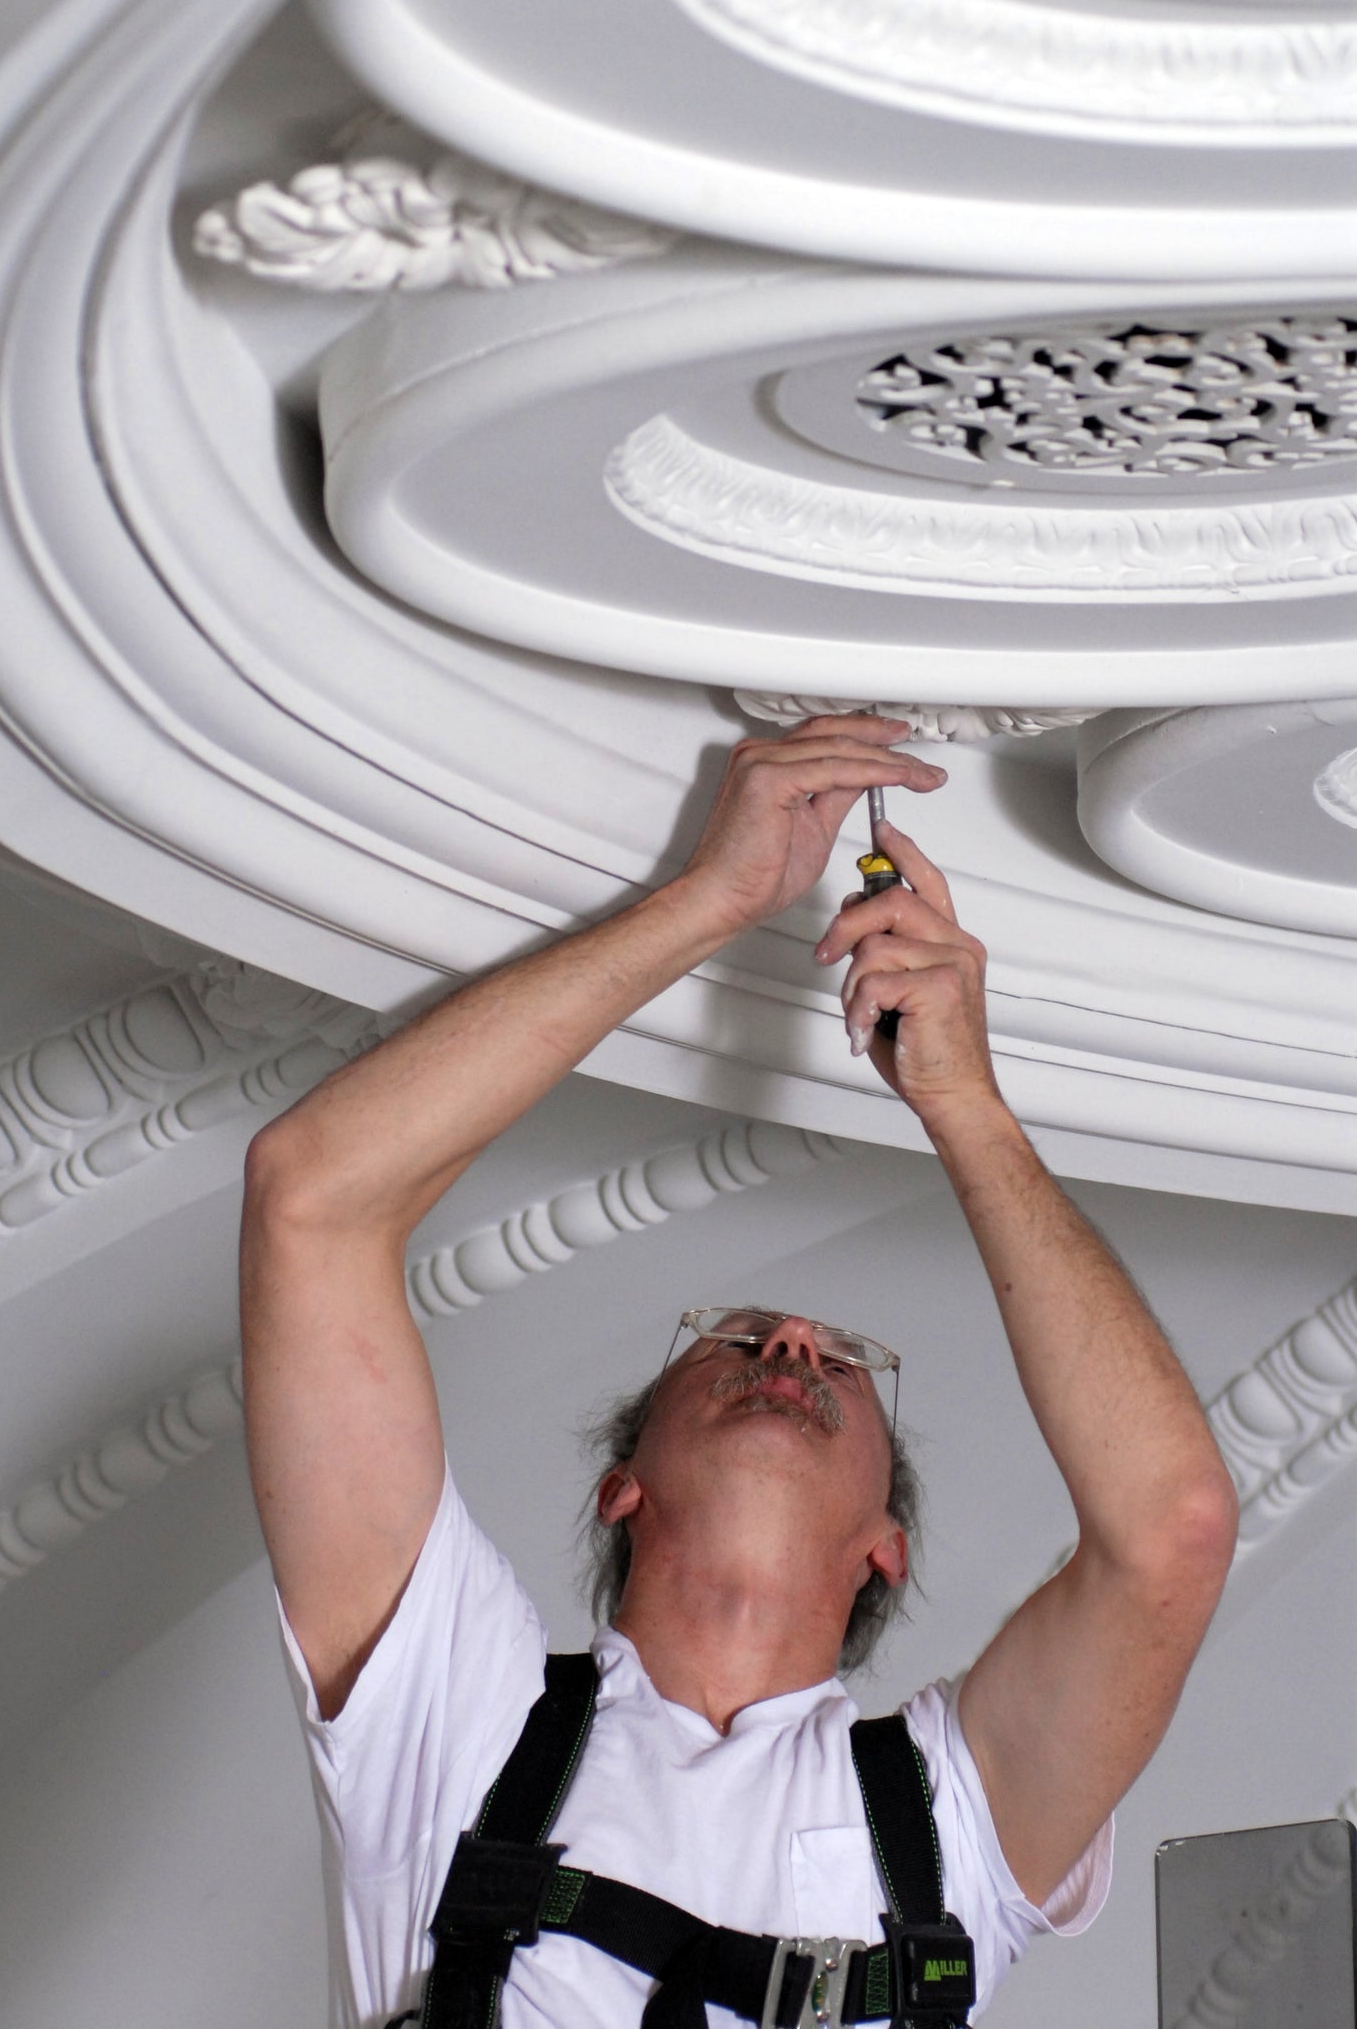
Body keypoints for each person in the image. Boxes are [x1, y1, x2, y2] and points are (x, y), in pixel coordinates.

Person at [240, 714, 1238, 2028]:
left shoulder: (942, 1819)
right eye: (734, 1341)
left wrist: (968, 1102)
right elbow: (311, 1201)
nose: (790, 1345)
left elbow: (1167, 1529)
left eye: (838, 1364)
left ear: (883, 1544)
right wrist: (714, 899)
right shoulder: (454, 1717)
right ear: (622, 1487)